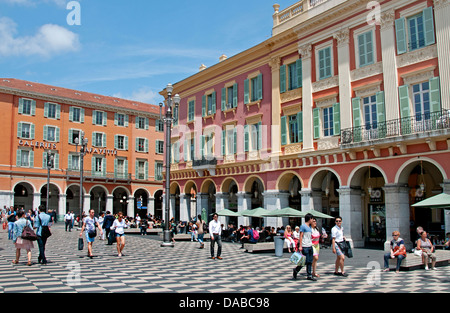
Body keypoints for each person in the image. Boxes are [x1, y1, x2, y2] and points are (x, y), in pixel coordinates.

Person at [294, 214, 315, 281]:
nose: (313, 220)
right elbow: (301, 236)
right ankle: (296, 269)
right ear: (309, 219)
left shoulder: (310, 227)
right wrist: (300, 246)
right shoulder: (303, 226)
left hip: (310, 245)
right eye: (312, 219)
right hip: (304, 246)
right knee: (305, 261)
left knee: (310, 261)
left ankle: (309, 275)